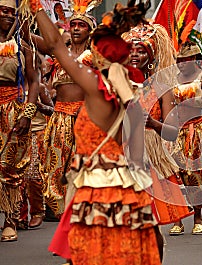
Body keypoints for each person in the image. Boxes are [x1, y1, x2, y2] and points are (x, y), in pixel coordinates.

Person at [30, 0, 162, 263]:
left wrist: (35, 7)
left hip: (93, 189)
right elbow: (136, 156)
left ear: (98, 58)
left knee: (88, 253)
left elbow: (56, 45)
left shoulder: (93, 87)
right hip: (127, 188)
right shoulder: (133, 98)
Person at [122, 22, 193, 236]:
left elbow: (172, 132)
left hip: (152, 159)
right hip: (122, 155)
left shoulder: (162, 88)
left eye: (141, 51)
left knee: (150, 226)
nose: (135, 55)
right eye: (131, 50)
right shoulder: (117, 84)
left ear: (151, 57)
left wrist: (152, 123)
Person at [28, 4, 95, 218]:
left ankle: (83, 223)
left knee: (83, 173)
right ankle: (66, 225)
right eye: (73, 24)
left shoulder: (95, 58)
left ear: (89, 31)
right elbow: (31, 39)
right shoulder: (59, 56)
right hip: (59, 120)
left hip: (84, 119)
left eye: (81, 25)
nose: (76, 29)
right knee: (57, 174)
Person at [170, 41, 202, 235]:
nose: (181, 63)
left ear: (195, 60)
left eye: (185, 59)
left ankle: (198, 215)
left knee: (196, 175)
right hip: (175, 132)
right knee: (177, 176)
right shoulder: (172, 78)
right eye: (178, 60)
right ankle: (178, 218)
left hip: (197, 131)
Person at [0, 0, 40, 242]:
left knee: (11, 167)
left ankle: (10, 220)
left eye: (11, 13)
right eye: (3, 11)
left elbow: (34, 80)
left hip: (13, 110)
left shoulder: (22, 46)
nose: (7, 16)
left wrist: (28, 112)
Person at [18, 56, 54, 230]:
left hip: (36, 134)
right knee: (16, 176)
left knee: (32, 175)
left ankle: (38, 211)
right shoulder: (11, 86)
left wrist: (39, 106)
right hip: (16, 135)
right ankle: (19, 215)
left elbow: (53, 111)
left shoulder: (39, 87)